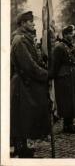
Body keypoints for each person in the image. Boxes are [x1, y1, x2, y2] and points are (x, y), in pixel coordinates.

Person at [11, 11, 50, 157]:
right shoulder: (20, 40)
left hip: (27, 83)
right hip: (23, 84)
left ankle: (24, 148)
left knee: (25, 118)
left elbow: (36, 61)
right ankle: (22, 150)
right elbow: (29, 66)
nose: (33, 24)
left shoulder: (25, 39)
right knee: (22, 118)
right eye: (30, 21)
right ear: (22, 23)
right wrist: (46, 74)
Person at [50, 25, 75, 133]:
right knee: (66, 101)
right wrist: (52, 76)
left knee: (72, 100)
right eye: (69, 34)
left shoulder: (69, 46)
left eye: (72, 34)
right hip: (63, 78)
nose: (72, 36)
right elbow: (55, 64)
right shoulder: (59, 47)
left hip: (71, 76)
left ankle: (69, 124)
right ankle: (67, 125)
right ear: (65, 35)